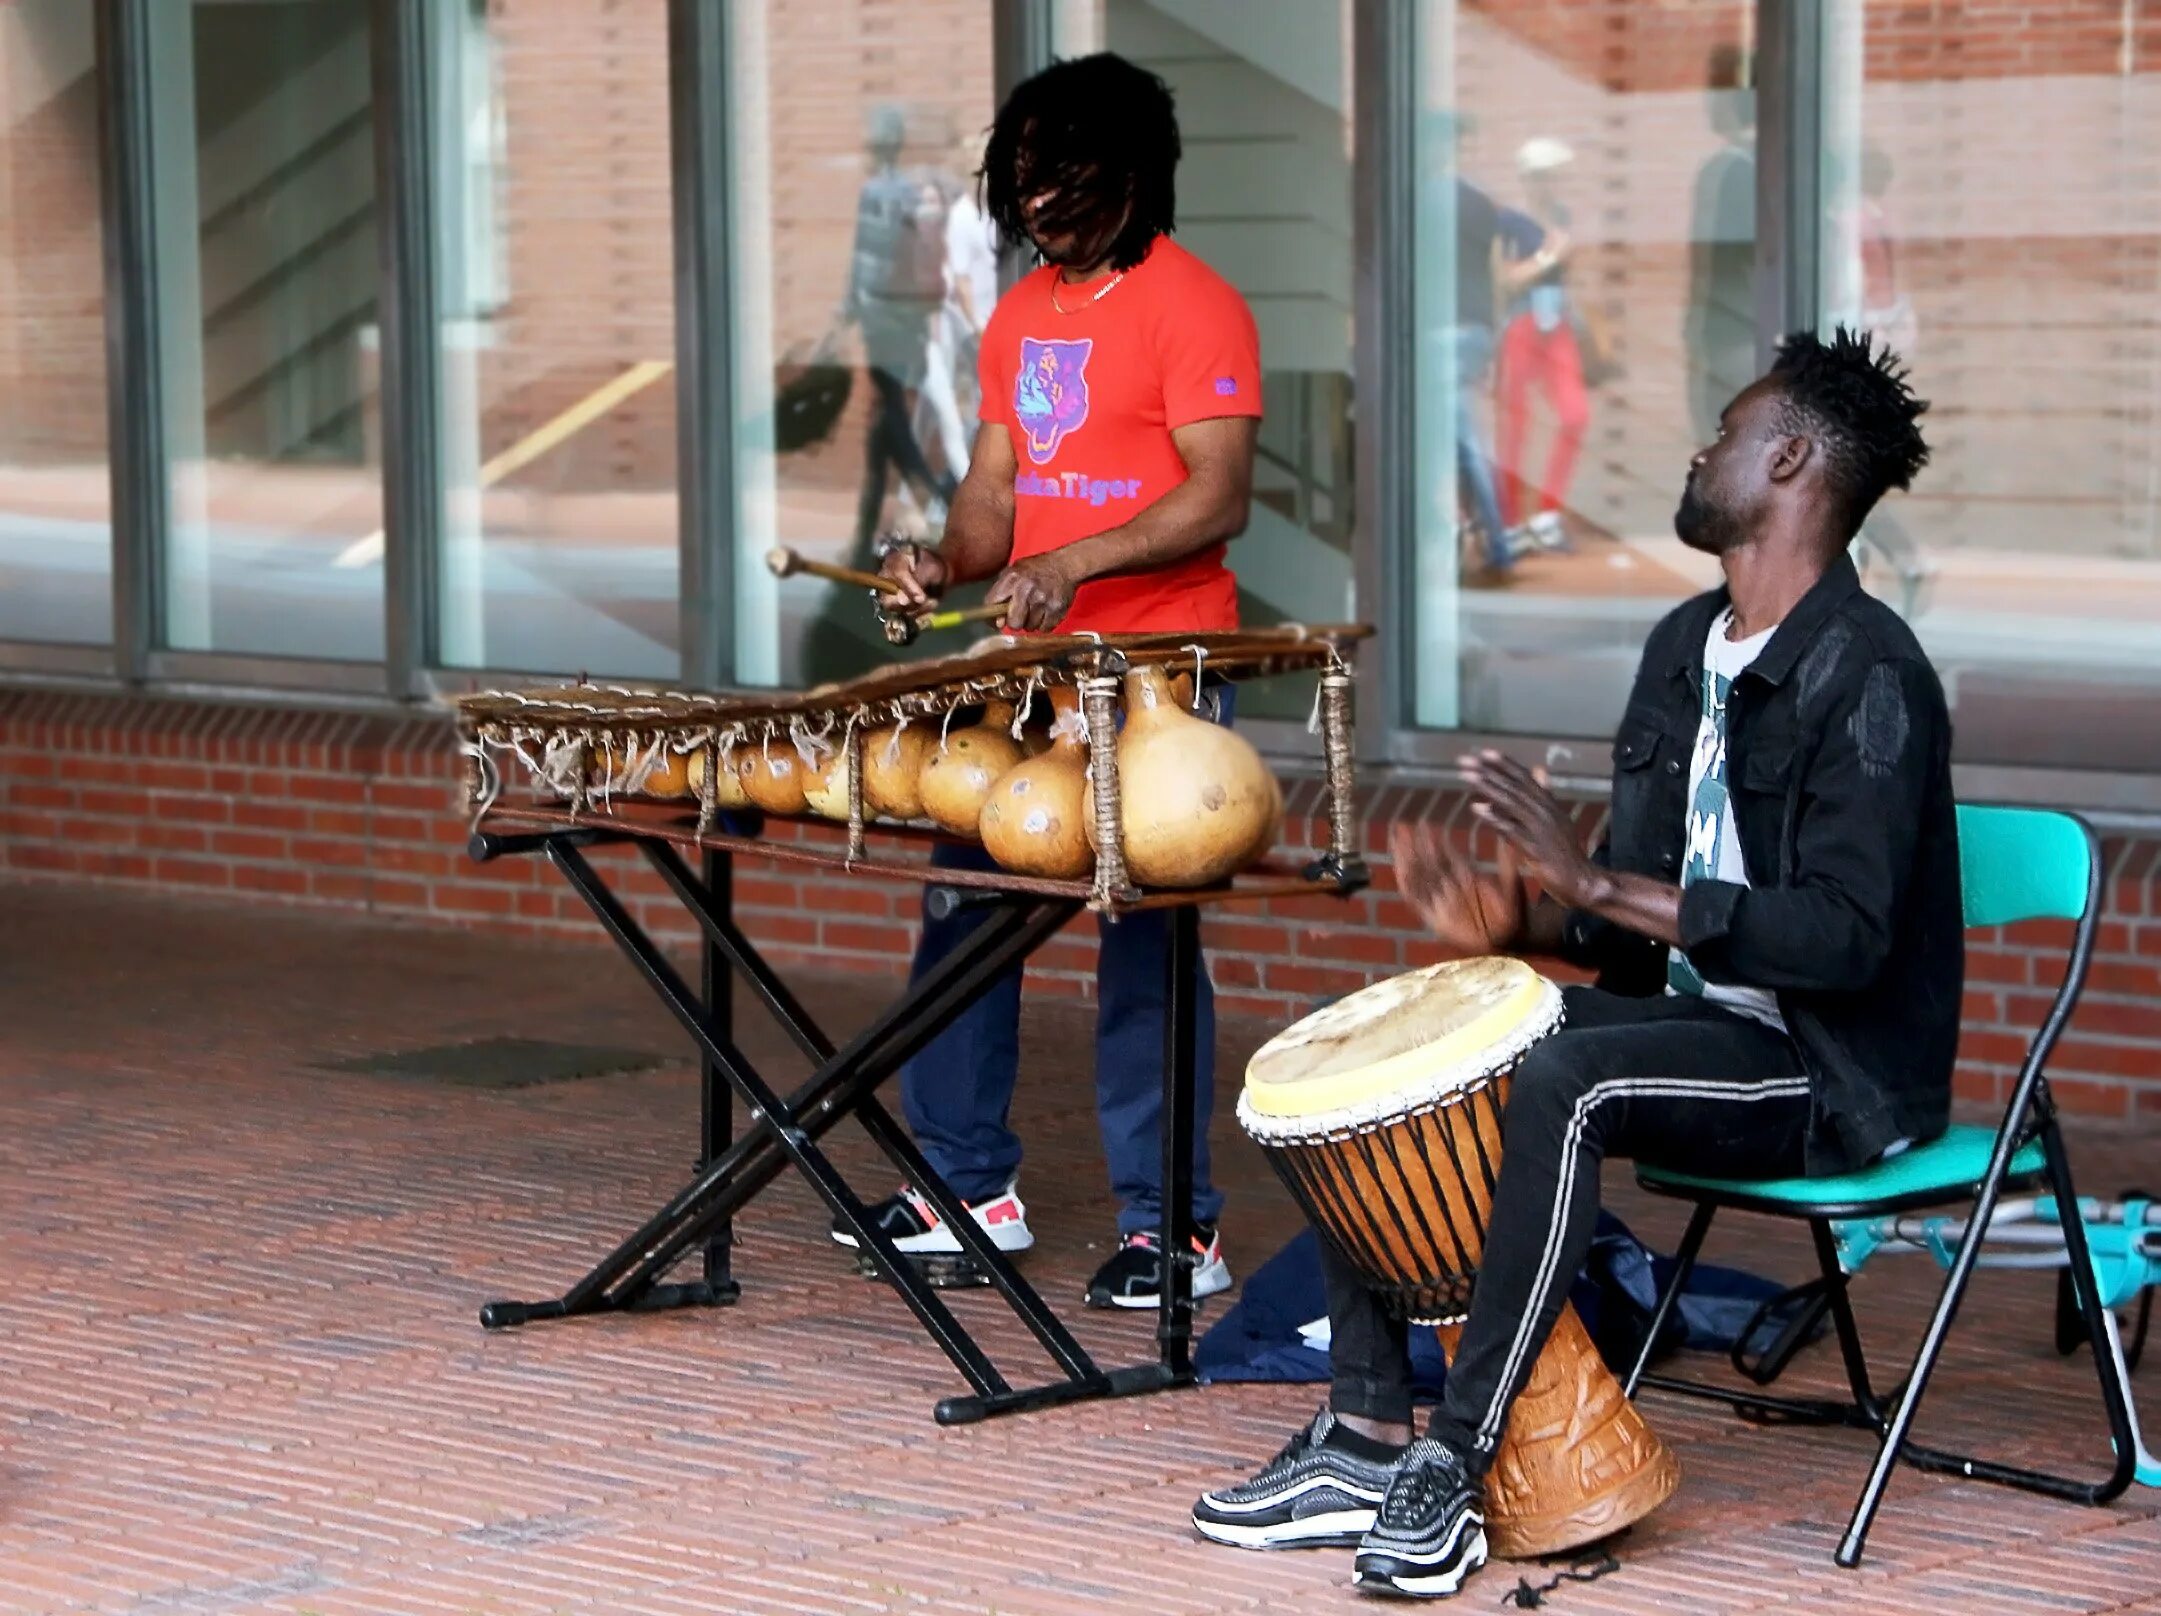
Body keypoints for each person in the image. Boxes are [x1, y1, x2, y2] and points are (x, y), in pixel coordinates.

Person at [1194, 329, 1958, 1599]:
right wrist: (1529, 925)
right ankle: (1365, 1433)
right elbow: (1627, 929)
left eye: (1725, 428)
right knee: (1387, 1064)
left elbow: (1846, 937)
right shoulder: (1684, 647)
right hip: (1698, 1026)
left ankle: (1454, 1459)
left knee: (1561, 1082)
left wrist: (1596, 879)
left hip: (1824, 1074)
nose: (1701, 448)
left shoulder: (1870, 673)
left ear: (1787, 456)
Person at [833, 53, 1264, 1310]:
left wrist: (1074, 560)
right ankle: (967, 1186)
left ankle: (1174, 1227)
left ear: (1133, 175)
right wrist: (938, 556)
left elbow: (1216, 491)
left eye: (1064, 174)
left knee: (1143, 947)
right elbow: (995, 491)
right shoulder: (1020, 314)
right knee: (964, 912)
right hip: (1032, 676)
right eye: (1022, 175)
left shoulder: (1196, 306)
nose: (1038, 199)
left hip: (1164, 674)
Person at [839, 105, 958, 558]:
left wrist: (849, 310)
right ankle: (866, 529)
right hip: (912, 316)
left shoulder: (875, 192)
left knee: (890, 417)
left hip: (882, 315)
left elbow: (865, 258)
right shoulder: (915, 193)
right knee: (885, 418)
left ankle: (939, 500)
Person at [1495, 138, 1590, 554]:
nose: (1555, 183)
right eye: (1548, 175)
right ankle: (1511, 520)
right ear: (1530, 178)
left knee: (1574, 414)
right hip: (1521, 322)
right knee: (1515, 425)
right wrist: (1548, 258)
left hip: (1558, 322)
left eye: (1558, 175)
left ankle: (1547, 512)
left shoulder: (1562, 214)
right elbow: (1504, 278)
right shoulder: (1509, 218)